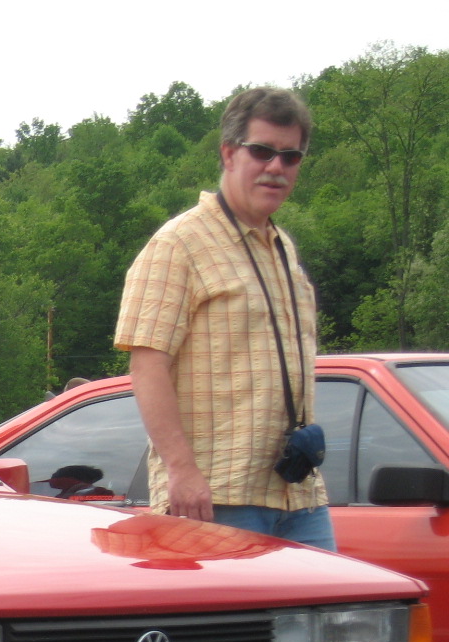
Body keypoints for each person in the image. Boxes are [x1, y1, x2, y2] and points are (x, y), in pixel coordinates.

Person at [115, 87, 330, 549]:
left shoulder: (283, 249)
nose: (276, 167)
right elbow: (147, 365)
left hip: (300, 496)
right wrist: (182, 470)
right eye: (262, 151)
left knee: (333, 598)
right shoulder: (178, 244)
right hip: (217, 497)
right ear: (229, 153)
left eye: (291, 156)